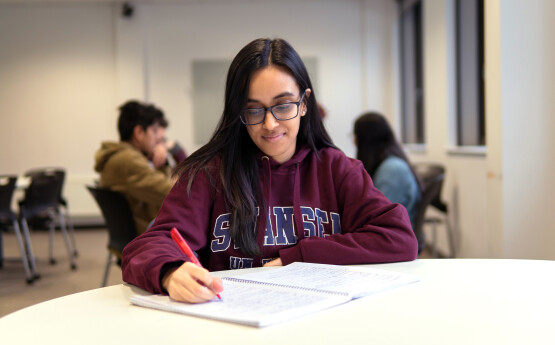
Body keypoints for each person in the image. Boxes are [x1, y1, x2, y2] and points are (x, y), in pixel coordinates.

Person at [121, 38, 418, 303]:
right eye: (253, 110)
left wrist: (299, 257)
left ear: (304, 103)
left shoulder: (336, 169)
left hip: (321, 318)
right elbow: (146, 246)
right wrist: (171, 272)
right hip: (233, 324)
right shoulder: (209, 173)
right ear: (238, 113)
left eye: (283, 105)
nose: (270, 124)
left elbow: (398, 237)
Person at [94, 100, 176, 234]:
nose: (157, 138)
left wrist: (160, 164)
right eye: (154, 131)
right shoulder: (129, 160)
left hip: (132, 233)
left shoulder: (120, 156)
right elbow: (171, 193)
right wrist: (164, 162)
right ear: (138, 132)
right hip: (147, 236)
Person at [353, 112, 422, 244]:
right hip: (393, 236)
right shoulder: (387, 164)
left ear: (364, 139)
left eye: (355, 135)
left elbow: (380, 217)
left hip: (395, 240)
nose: (354, 141)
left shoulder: (392, 169)